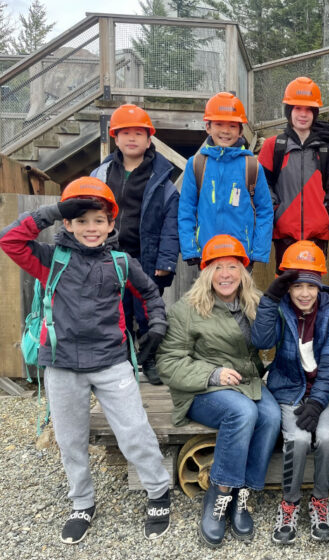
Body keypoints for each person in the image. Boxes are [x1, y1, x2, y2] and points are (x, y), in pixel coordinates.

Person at [0, 177, 171, 544]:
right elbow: (9, 240)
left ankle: (158, 492)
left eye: (98, 220)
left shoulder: (122, 262)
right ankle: (81, 502)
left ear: (112, 224)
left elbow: (151, 296)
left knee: (135, 432)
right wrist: (53, 211)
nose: (90, 228)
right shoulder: (50, 259)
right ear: (68, 224)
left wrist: (156, 325)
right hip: (61, 364)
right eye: (81, 220)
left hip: (112, 362)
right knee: (70, 439)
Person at [156, 234, 281, 547]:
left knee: (271, 416)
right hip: (201, 389)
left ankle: (243, 495)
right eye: (218, 267)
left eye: (233, 266)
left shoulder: (254, 303)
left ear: (243, 272)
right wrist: (211, 374)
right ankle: (220, 494)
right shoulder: (188, 310)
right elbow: (168, 363)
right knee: (242, 412)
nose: (226, 274)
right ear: (206, 272)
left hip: (247, 382)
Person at [251, 240, 329, 545]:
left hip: (321, 393)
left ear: (320, 287)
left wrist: (318, 402)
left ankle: (320, 501)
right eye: (297, 286)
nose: (305, 293)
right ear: (288, 288)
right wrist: (268, 300)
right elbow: (263, 342)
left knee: (328, 439)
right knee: (299, 438)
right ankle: (289, 503)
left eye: (311, 286)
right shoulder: (280, 309)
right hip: (288, 389)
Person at [91, 104, 179, 385]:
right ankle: (124, 363)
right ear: (115, 138)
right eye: (125, 133)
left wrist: (166, 261)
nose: (132, 138)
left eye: (138, 133)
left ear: (149, 139)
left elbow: (170, 224)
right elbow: (88, 215)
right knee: (117, 313)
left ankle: (150, 360)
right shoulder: (101, 174)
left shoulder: (162, 179)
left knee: (148, 314)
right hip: (109, 258)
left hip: (146, 260)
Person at [178, 92, 273, 267]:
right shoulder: (196, 164)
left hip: (242, 256)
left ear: (240, 130)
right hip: (206, 254)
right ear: (208, 127)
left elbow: (265, 211)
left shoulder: (251, 166)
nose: (225, 131)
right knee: (207, 295)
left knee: (242, 295)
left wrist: (258, 251)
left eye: (232, 125)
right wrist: (190, 248)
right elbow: (186, 210)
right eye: (219, 124)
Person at [258, 76, 329, 271]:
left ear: (315, 113)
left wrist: (325, 213)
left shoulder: (324, 149)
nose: (303, 114)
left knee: (313, 291)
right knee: (285, 289)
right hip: (284, 234)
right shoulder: (274, 146)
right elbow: (262, 185)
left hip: (317, 235)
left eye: (308, 109)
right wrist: (276, 209)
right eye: (297, 108)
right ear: (289, 111)